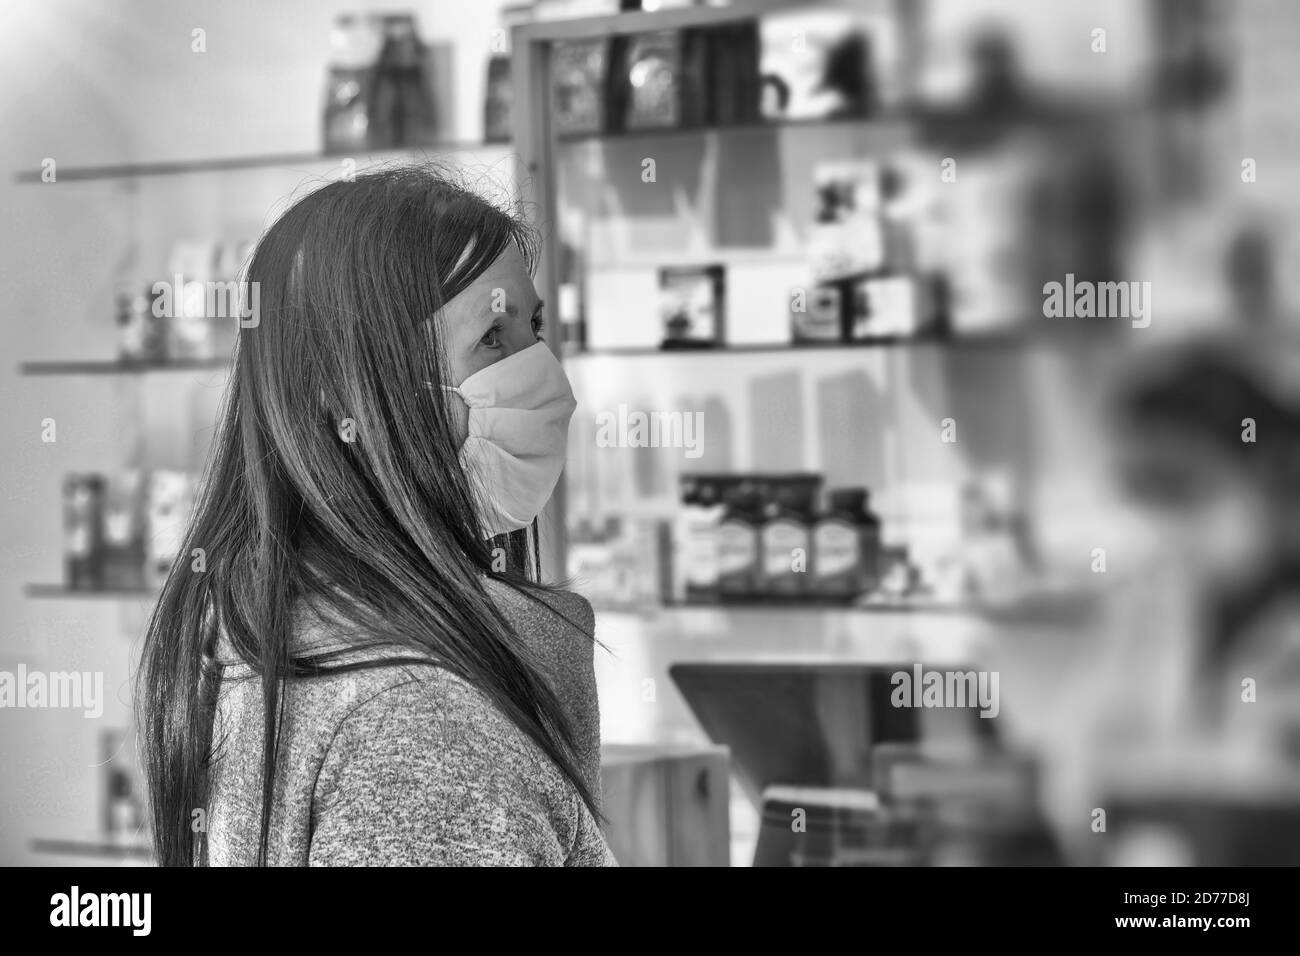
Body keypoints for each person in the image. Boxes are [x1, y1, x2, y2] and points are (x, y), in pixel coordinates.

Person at [136, 165, 615, 866]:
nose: (538, 369)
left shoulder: (277, 630)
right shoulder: (419, 729)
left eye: (533, 328)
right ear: (346, 391)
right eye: (493, 337)